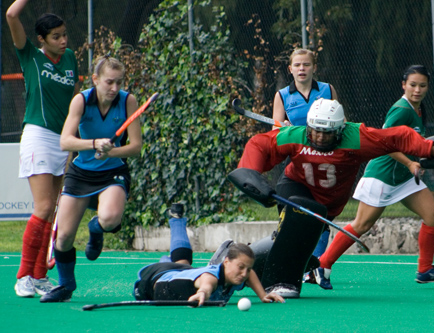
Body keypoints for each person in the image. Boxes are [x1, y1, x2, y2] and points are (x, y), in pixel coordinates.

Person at [229, 97, 434, 296]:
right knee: (299, 219)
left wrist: (430, 149)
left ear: (340, 129)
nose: (320, 138)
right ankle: (281, 282)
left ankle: (242, 261)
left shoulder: (356, 138)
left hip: (330, 203)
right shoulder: (295, 136)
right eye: (315, 131)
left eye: (327, 133)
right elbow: (260, 145)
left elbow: (395, 137)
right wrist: (251, 174)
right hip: (295, 187)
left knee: (299, 239)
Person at [317, 65, 434, 287]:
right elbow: (385, 143)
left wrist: (418, 161)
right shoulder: (401, 109)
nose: (417, 90)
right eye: (413, 85)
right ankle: (323, 264)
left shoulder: (418, 109)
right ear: (403, 85)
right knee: (362, 224)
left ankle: (425, 269)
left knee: (432, 215)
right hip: (382, 175)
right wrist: (409, 163)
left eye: (422, 85)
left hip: (403, 177)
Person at [40, 55, 142, 302]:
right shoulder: (81, 101)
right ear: (95, 79)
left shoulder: (128, 101)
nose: (114, 88)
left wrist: (111, 151)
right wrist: (94, 143)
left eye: (119, 82)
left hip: (112, 171)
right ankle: (65, 286)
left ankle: (95, 229)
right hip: (81, 172)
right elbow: (66, 141)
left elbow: (136, 146)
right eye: (109, 82)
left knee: (109, 219)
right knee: (63, 238)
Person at [6, 0, 80, 297]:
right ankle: (23, 275)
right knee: (44, 206)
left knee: (52, 213)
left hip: (63, 139)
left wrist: (74, 142)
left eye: (64, 35)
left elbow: (75, 100)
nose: (63, 41)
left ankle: (38, 276)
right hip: (37, 135)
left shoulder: (72, 58)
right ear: (41, 39)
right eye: (56, 37)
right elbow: (11, 14)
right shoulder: (30, 56)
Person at [134, 204, 285, 306]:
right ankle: (165, 257)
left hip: (178, 272)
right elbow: (206, 286)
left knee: (183, 262)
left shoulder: (236, 275)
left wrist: (263, 295)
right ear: (225, 262)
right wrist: (202, 294)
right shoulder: (211, 278)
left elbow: (249, 272)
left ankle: (176, 220)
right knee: (182, 263)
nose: (244, 273)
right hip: (150, 283)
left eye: (246, 268)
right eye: (240, 267)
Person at [272, 48, 338, 265]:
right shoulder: (282, 96)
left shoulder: (328, 90)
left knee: (321, 214)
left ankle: (315, 263)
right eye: (297, 65)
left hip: (325, 159)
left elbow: (340, 121)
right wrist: (285, 129)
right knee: (287, 202)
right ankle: (284, 246)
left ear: (314, 68)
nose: (302, 69)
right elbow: (276, 132)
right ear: (290, 69)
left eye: (306, 64)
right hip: (298, 160)